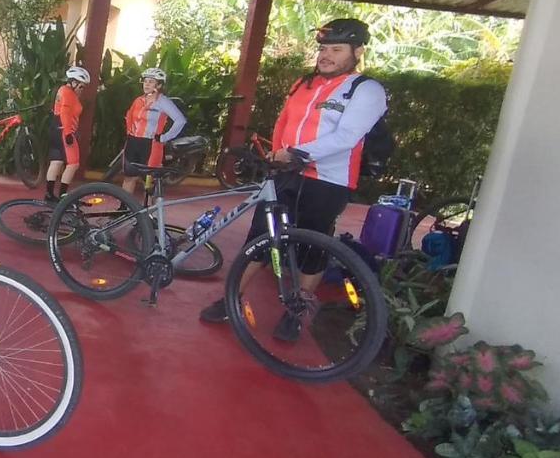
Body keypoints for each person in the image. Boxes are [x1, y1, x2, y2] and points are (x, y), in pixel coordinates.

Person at [198, 18, 386, 342]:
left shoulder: (365, 89)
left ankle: (296, 313)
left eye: (336, 50)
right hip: (286, 173)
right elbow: (283, 123)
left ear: (357, 51)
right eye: (324, 49)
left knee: (312, 246)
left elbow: (347, 137)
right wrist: (275, 156)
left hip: (328, 180)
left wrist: (295, 153)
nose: (326, 55)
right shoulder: (304, 83)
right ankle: (231, 300)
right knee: (258, 237)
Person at [120, 67, 186, 196]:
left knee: (148, 181)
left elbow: (180, 120)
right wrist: (129, 134)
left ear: (159, 85)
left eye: (151, 81)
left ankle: (147, 212)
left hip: (151, 144)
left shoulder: (163, 102)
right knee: (129, 177)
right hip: (133, 143)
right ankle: (123, 209)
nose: (147, 84)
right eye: (145, 81)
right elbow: (129, 117)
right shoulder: (138, 100)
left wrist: (164, 137)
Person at [44, 66, 90, 202]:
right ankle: (63, 195)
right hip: (65, 131)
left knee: (56, 162)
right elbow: (65, 113)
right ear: (74, 82)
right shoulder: (68, 93)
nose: (82, 89)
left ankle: (49, 194)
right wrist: (69, 133)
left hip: (55, 129)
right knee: (73, 164)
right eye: (81, 86)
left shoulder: (62, 90)